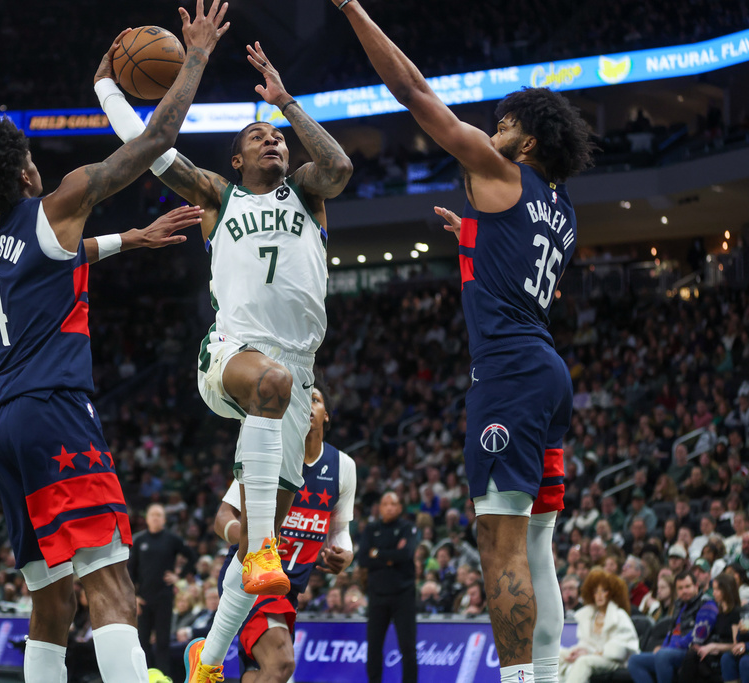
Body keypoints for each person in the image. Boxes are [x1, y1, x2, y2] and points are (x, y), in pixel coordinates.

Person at [0, 4, 228, 682]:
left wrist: (129, 241)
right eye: (31, 160)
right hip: (54, 409)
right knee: (112, 586)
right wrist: (193, 58)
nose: (39, 166)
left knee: (50, 596)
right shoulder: (60, 200)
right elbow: (156, 137)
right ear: (21, 174)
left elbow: (44, 262)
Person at [329, 4, 596, 683]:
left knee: (499, 540)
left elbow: (416, 92)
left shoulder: (501, 169)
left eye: (505, 124)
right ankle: (546, 676)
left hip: (507, 373)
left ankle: (518, 679)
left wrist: (352, 9)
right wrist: (473, 237)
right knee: (538, 544)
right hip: (548, 371)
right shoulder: (561, 209)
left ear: (528, 141)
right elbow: (520, 263)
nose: (494, 131)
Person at [94, 30, 351, 683]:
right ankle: (262, 543)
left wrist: (288, 103)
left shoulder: (308, 192)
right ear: (234, 161)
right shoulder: (218, 196)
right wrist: (105, 88)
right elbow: (150, 150)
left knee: (261, 542)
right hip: (232, 352)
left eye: (279, 138)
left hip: (296, 371)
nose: (274, 140)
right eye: (258, 136)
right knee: (268, 389)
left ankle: (205, 663)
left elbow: (342, 167)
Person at [212, 386, 356, 682]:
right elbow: (222, 518)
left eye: (315, 400)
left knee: (258, 673)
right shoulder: (270, 457)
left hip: (289, 589)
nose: (308, 406)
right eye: (302, 402)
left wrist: (346, 554)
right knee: (281, 664)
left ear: (326, 414)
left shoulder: (343, 466)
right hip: (251, 575)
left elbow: (340, 531)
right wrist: (253, 537)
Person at [128, 503, 197, 674]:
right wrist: (134, 596)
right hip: (143, 599)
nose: (155, 518)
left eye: (159, 515)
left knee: (162, 642)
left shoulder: (172, 539)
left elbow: (192, 557)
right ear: (147, 518)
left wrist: (179, 576)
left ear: (164, 519)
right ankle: (144, 676)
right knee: (142, 642)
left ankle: (164, 677)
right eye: (152, 515)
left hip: (164, 598)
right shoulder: (139, 541)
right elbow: (130, 571)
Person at [359, 491, 419, 682]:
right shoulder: (371, 529)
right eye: (385, 503)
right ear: (379, 508)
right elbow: (363, 560)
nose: (389, 507)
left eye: (393, 503)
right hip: (377, 595)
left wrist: (377, 553)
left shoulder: (408, 528)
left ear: (400, 508)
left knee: (407, 647)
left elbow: (407, 554)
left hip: (404, 595)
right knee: (374, 647)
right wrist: (392, 555)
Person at [627, 571, 718, 683]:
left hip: (691, 652)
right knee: (635, 661)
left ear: (696, 586)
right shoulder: (679, 605)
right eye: (680, 588)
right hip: (670, 652)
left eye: (687, 586)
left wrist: (670, 648)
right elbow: (672, 631)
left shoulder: (706, 604)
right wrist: (664, 646)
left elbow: (698, 636)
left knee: (663, 655)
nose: (684, 591)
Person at [558, 569, 639, 683]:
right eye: (596, 592)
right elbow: (586, 643)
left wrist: (590, 652)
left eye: (604, 591)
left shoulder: (619, 615)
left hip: (612, 660)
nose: (599, 595)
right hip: (591, 655)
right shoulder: (589, 615)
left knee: (583, 661)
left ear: (611, 593)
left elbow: (618, 651)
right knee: (559, 656)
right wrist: (579, 650)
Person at [678, 572, 741, 683]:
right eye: (713, 589)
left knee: (692, 659)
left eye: (717, 590)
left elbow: (737, 645)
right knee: (692, 655)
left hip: (726, 655)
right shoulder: (720, 612)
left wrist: (713, 646)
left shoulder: (735, 613)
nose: (714, 593)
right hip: (714, 653)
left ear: (726, 590)